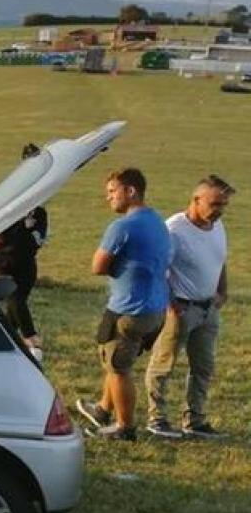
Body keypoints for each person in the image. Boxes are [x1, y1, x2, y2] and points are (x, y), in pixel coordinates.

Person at [75, 168, 172, 441]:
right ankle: (103, 409)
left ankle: (124, 428)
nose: (108, 198)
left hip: (128, 310)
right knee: (118, 361)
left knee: (119, 368)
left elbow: (97, 266)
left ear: (130, 191)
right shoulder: (157, 221)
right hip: (156, 309)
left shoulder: (122, 227)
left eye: (111, 192)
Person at [144, 175, 234, 439]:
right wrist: (170, 304)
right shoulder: (173, 230)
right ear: (196, 199)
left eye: (223, 205)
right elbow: (156, 269)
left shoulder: (217, 225)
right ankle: (156, 418)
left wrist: (222, 292)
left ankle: (194, 420)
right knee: (164, 365)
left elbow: (220, 260)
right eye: (215, 204)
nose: (219, 210)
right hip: (181, 310)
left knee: (203, 367)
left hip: (208, 311)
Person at [0, 145, 50, 358]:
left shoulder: (39, 209)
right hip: (6, 259)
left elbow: (38, 238)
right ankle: (31, 339)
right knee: (15, 299)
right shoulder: (10, 197)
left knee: (14, 305)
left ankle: (5, 339)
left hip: (26, 262)